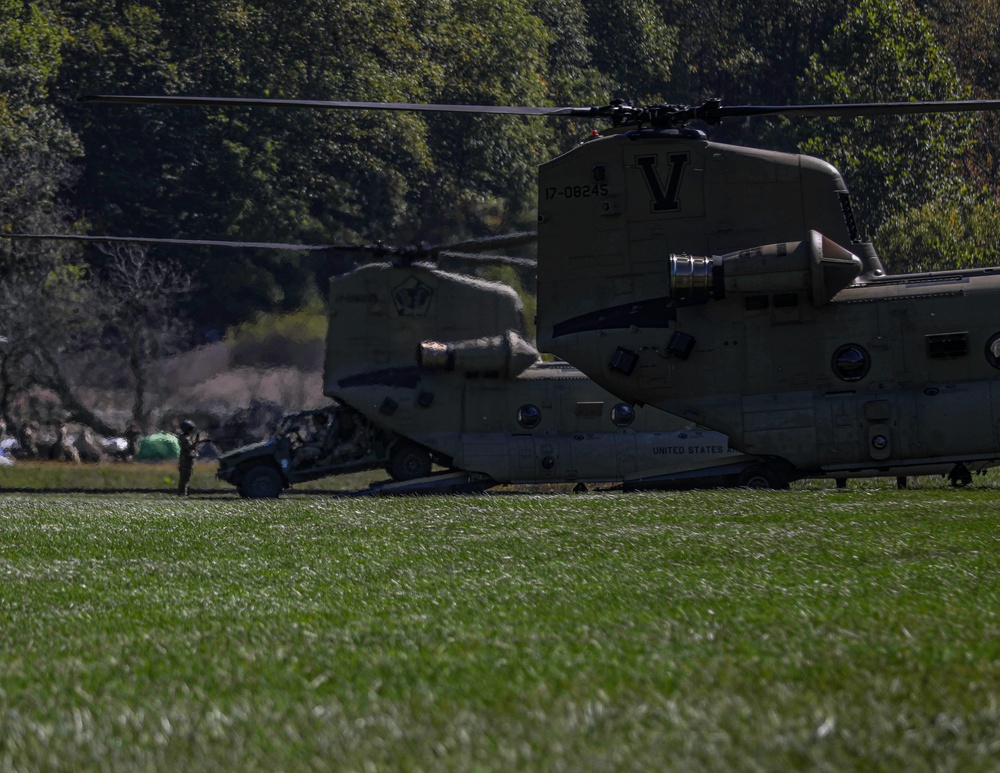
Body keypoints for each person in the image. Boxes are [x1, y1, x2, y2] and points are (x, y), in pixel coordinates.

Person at [176, 419, 205, 496]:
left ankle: (183, 492)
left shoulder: (185, 437)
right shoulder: (185, 438)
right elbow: (190, 447)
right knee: (185, 477)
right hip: (186, 460)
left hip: (187, 459)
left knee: (186, 477)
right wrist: (197, 442)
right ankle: (182, 492)